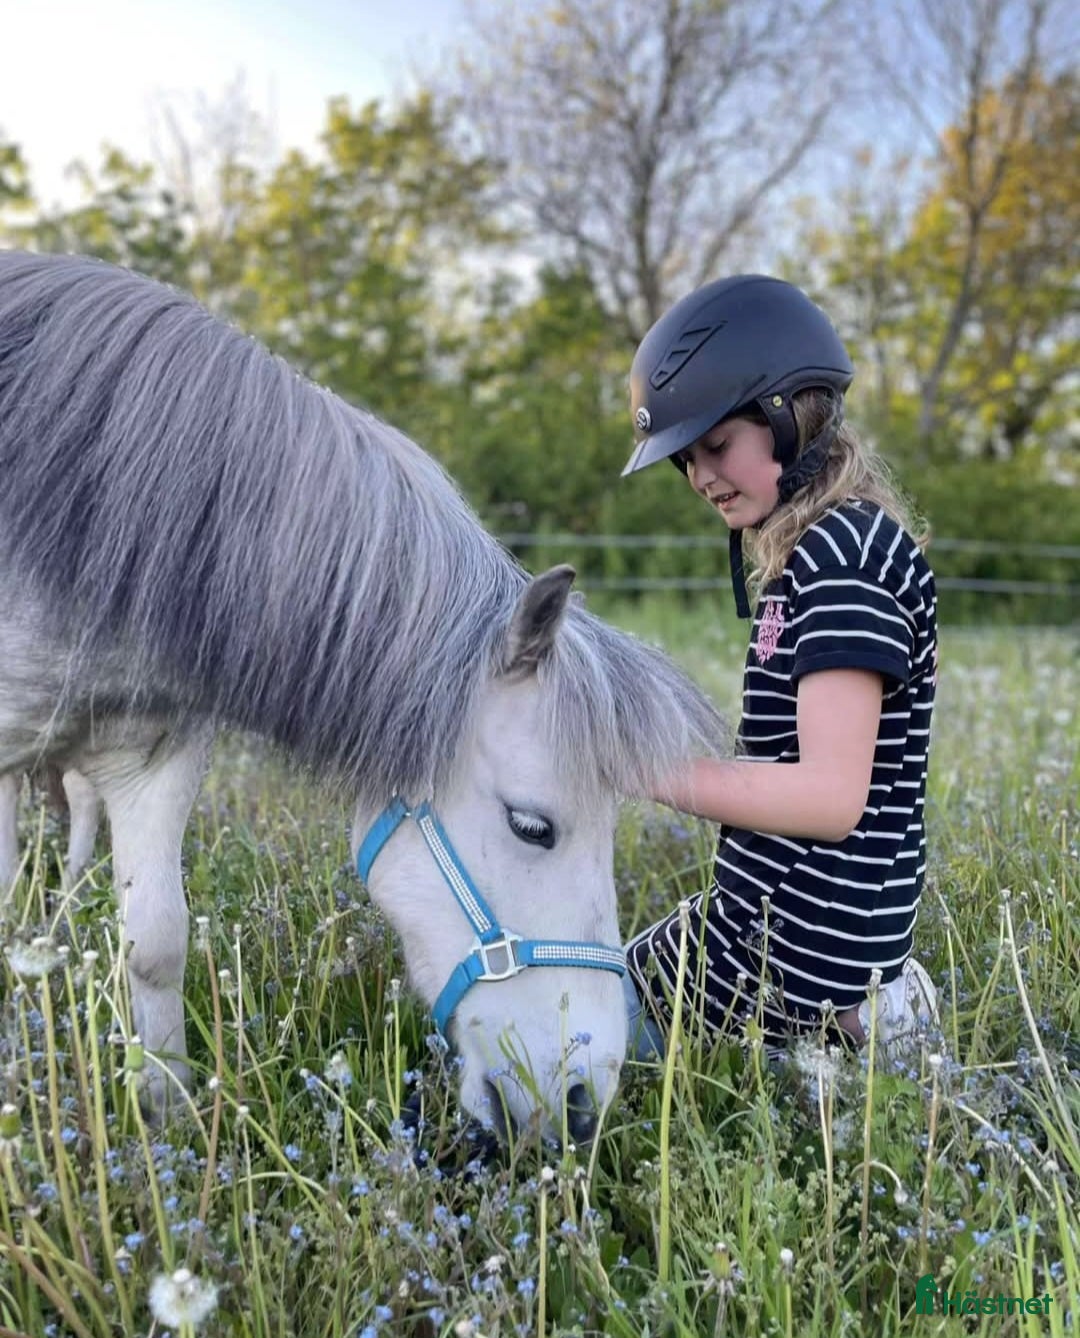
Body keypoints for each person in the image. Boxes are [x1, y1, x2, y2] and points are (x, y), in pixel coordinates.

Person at [620, 274, 939, 1061]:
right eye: (686, 459)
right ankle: (876, 1008)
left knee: (547, 1029)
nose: (701, 476)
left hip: (788, 970)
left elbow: (831, 799)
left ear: (789, 415)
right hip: (762, 928)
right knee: (592, 973)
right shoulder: (817, 554)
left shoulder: (843, 563)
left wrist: (640, 765)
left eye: (717, 445)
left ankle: (849, 1032)